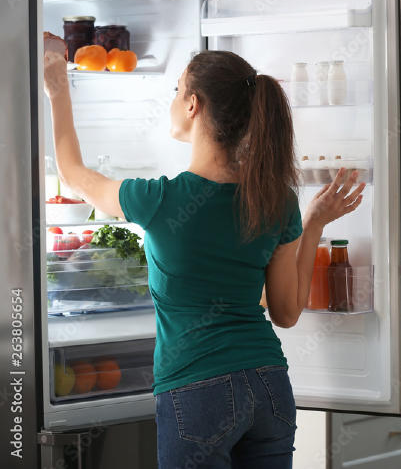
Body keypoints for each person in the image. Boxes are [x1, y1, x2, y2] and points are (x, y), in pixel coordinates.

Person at [43, 49, 365, 468]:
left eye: (177, 90)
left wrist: (57, 87)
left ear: (193, 104)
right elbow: (285, 312)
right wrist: (313, 225)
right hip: (269, 384)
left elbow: (72, 174)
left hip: (198, 390)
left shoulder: (159, 197)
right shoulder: (275, 199)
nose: (175, 99)